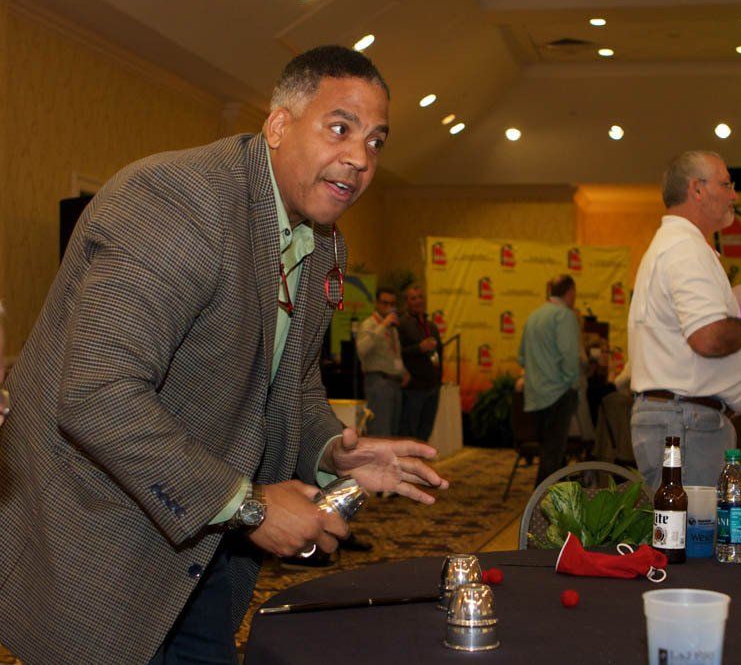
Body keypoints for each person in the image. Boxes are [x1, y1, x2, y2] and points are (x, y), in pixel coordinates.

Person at [0, 46, 449, 664]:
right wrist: (250, 505)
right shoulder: (177, 201)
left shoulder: (324, 244)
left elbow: (288, 383)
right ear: (279, 125)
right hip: (104, 541)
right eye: (340, 128)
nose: (360, 158)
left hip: (210, 546)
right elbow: (98, 394)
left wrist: (332, 449)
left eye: (376, 141)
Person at [629, 151, 741, 490]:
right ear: (696, 189)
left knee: (684, 522)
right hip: (686, 422)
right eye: (726, 184)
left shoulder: (675, 245)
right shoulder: (685, 248)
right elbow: (707, 337)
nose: (734, 195)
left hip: (682, 419)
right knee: (694, 523)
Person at [518, 275, 581, 485]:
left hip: (535, 395)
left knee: (548, 451)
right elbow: (570, 358)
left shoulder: (533, 316)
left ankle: (552, 497)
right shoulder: (565, 316)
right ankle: (542, 499)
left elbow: (522, 357)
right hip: (559, 394)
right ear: (570, 292)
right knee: (552, 456)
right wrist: (573, 385)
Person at [356, 286, 406, 435]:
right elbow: (362, 349)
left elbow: (394, 355)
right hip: (379, 382)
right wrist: (382, 326)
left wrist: (403, 371)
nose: (389, 307)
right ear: (377, 303)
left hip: (395, 383)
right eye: (385, 303)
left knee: (393, 432)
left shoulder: (392, 328)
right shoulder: (369, 324)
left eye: (392, 304)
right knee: (381, 431)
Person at [398, 285, 443, 441]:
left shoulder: (431, 326)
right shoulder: (402, 324)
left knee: (426, 432)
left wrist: (438, 382)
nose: (418, 301)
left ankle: (422, 457)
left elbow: (440, 354)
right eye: (413, 298)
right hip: (414, 389)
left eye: (420, 297)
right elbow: (397, 353)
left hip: (433, 387)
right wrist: (419, 348)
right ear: (407, 302)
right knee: (409, 432)